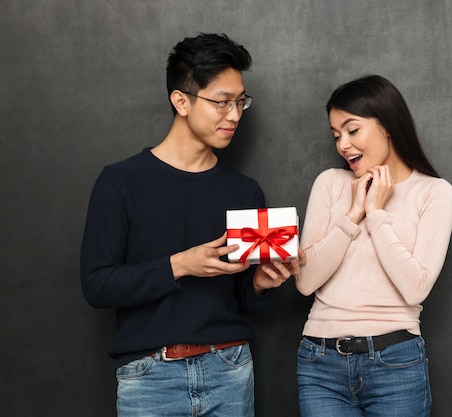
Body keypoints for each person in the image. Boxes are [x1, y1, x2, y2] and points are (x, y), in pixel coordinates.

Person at [80, 33, 304, 417]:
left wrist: (260, 286)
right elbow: (97, 285)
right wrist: (180, 265)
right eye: (221, 102)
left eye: (240, 101)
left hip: (230, 371)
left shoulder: (244, 191)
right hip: (149, 376)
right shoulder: (121, 182)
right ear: (181, 101)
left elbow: (244, 301)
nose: (234, 114)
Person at [295, 75, 452, 417]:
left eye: (352, 130)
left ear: (387, 126)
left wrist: (376, 214)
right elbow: (305, 281)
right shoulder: (330, 183)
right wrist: (353, 215)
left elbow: (416, 288)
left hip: (395, 362)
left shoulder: (434, 192)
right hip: (320, 362)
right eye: (336, 135)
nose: (343, 145)